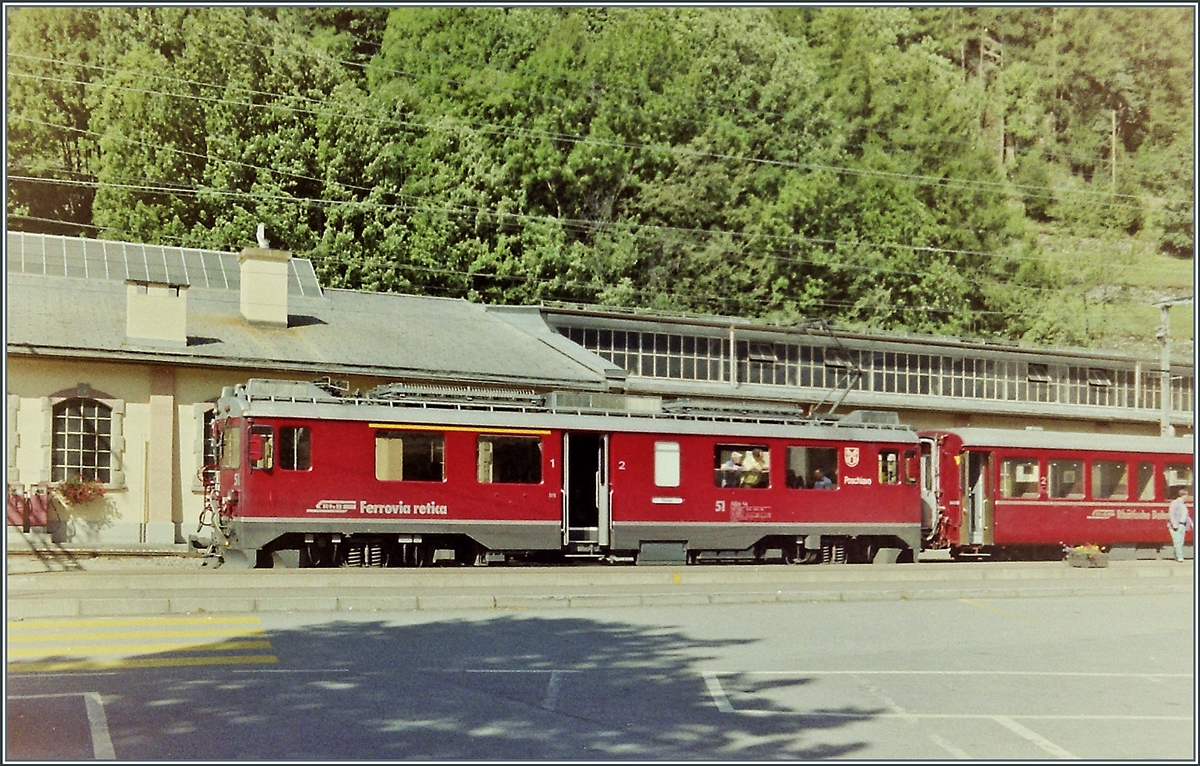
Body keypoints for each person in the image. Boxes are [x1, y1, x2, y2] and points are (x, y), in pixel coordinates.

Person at [1168, 486, 1192, 562]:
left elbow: (1186, 516)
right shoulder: (1174, 503)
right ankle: (1180, 557)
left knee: (1180, 542)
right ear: (1183, 495)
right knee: (1177, 541)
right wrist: (1174, 523)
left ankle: (1176, 556)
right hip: (1176, 525)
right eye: (1186, 495)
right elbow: (1171, 514)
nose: (1187, 497)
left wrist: (1191, 524)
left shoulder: (1183, 505)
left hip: (1183, 525)